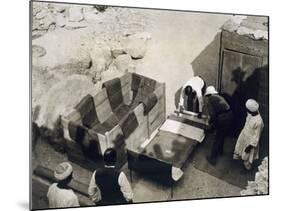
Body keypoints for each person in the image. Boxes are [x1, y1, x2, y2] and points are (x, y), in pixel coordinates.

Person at [204, 86, 233, 165]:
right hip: (230, 115)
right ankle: (220, 151)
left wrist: (210, 124)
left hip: (223, 118)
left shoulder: (210, 100)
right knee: (222, 135)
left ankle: (213, 159)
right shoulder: (218, 97)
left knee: (217, 138)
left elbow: (213, 114)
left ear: (208, 94)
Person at [233, 99, 264, 170]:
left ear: (250, 110)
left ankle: (247, 169)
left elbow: (256, 137)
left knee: (247, 157)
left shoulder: (258, 122)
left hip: (250, 143)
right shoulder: (251, 114)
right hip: (244, 136)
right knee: (241, 150)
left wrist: (249, 147)